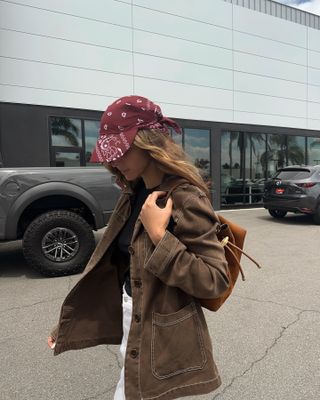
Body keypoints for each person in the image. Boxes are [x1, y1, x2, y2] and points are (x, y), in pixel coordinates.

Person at [47, 95, 230, 400]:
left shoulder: (185, 197)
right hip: (131, 315)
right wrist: (67, 324)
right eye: (111, 152)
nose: (115, 160)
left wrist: (160, 237)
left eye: (122, 150)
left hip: (162, 334)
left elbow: (215, 279)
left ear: (148, 142)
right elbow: (111, 266)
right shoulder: (132, 193)